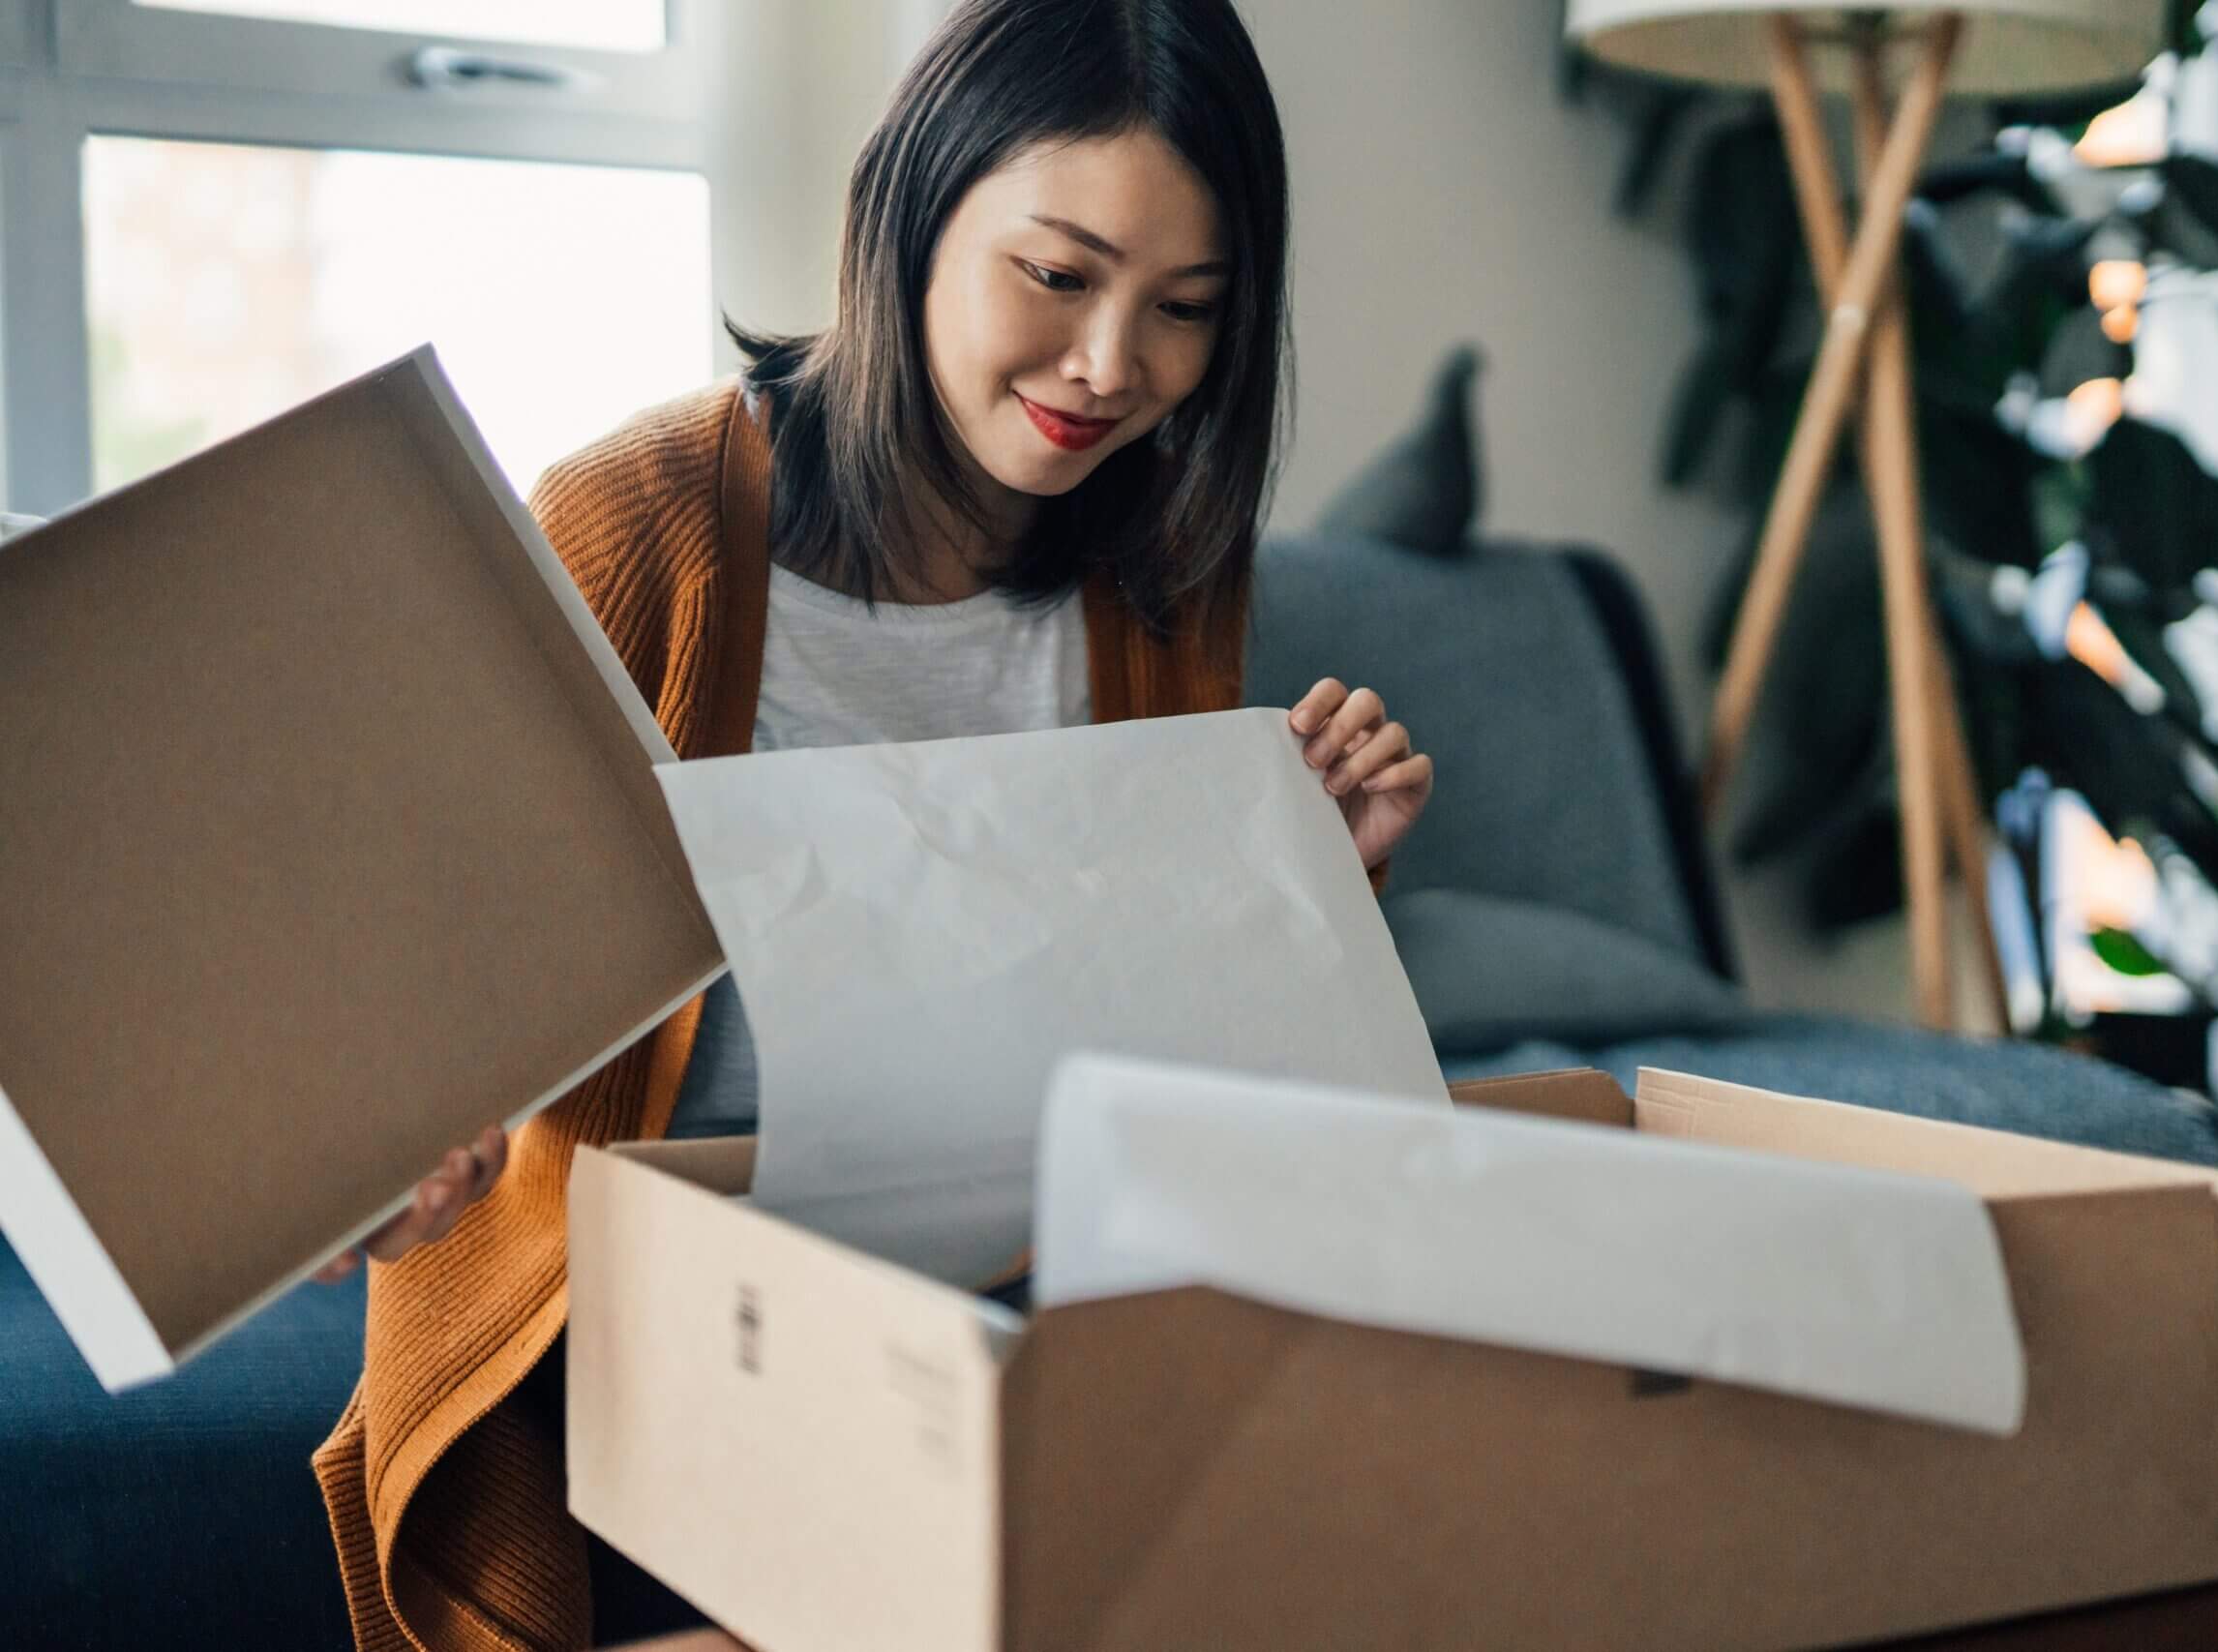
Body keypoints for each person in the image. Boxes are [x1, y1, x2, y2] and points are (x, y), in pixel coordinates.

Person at [310, 2, 1433, 1648]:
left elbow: (1177, 1094)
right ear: (908, 214)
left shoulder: (1164, 573)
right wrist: (390, 1140)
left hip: (1014, 1318)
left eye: (1186, 310)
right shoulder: (643, 524)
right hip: (658, 1342)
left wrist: (1301, 895)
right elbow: (437, 983)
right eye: (1056, 277)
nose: (1114, 367)